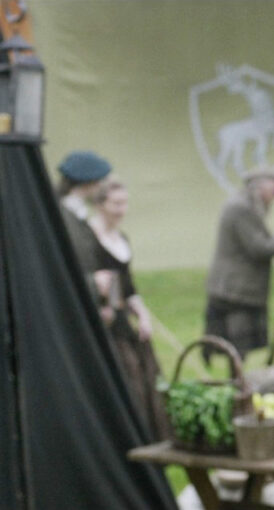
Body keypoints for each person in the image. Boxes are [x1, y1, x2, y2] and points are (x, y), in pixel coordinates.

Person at [88, 177, 172, 441]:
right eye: (116, 203)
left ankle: (150, 436)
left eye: (124, 203)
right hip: (102, 322)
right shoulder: (88, 239)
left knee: (146, 377)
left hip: (122, 318)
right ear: (100, 204)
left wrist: (143, 316)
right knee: (127, 376)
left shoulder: (121, 238)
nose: (122, 209)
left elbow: (127, 286)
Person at [204, 170, 274, 362]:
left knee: (236, 346)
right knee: (236, 343)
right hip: (235, 289)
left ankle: (236, 375)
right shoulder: (242, 208)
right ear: (263, 185)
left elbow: (256, 240)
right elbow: (258, 247)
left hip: (234, 286)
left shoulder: (245, 204)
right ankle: (236, 377)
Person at [55, 150, 114, 298]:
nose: (102, 187)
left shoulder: (76, 212)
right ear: (90, 183)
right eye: (100, 181)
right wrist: (93, 282)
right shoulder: (63, 216)